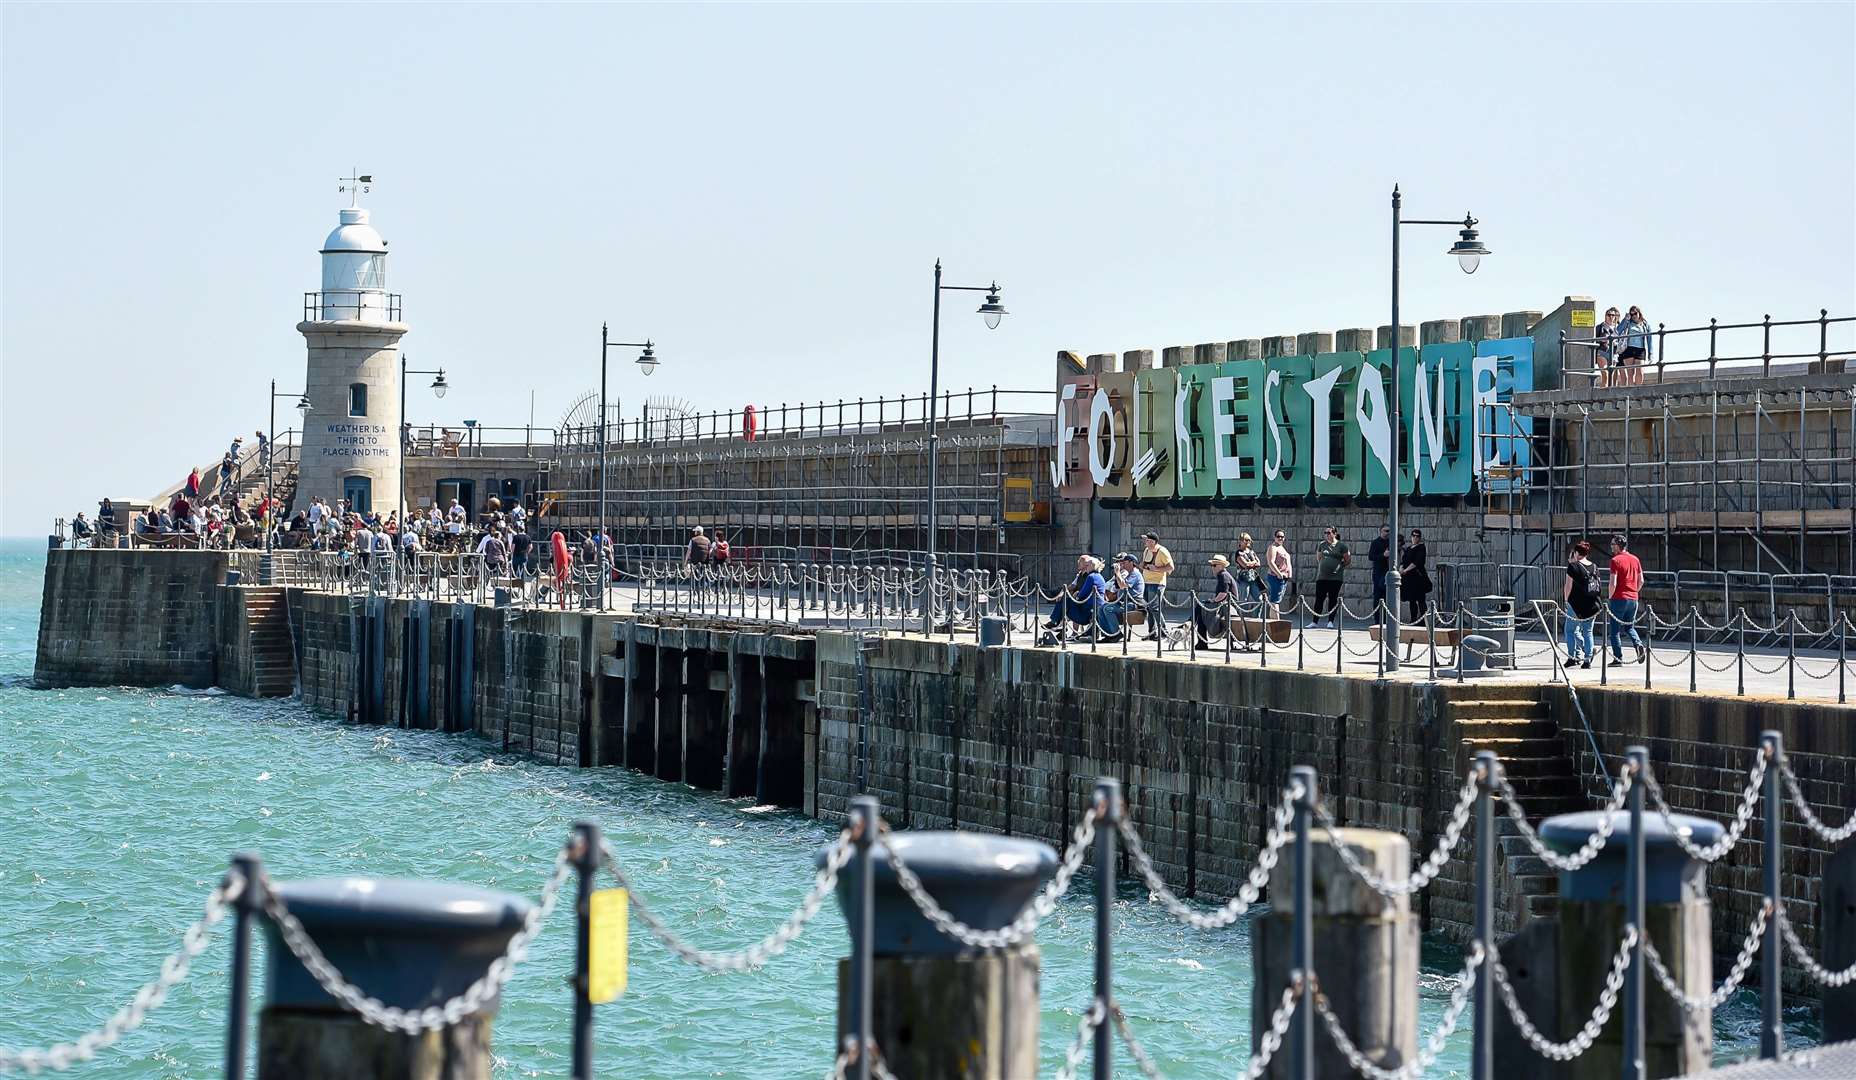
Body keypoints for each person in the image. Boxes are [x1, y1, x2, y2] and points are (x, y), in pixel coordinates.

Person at [1042, 555, 1106, 640]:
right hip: (1089, 608)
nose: (1086, 566)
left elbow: (1082, 594)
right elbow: (1074, 586)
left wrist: (1076, 596)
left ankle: (1056, 623)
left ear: (1092, 566)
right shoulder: (1098, 576)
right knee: (1066, 602)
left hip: (1087, 611)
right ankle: (1058, 624)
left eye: (1087, 565)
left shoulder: (1091, 577)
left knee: (1065, 602)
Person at [1606, 534, 1647, 664]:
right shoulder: (1635, 559)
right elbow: (1641, 580)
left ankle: (1618, 658)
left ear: (1618, 546)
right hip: (1633, 598)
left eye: (1613, 544)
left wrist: (1610, 597)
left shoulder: (1615, 560)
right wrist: (1634, 591)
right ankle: (1638, 644)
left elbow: (1613, 583)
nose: (1611, 547)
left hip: (1619, 598)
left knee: (1614, 630)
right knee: (1629, 627)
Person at [1562, 540, 1602, 668]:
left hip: (1576, 604)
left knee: (1569, 630)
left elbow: (1568, 586)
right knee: (1588, 631)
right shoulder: (1595, 566)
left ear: (1577, 553)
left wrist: (1566, 600)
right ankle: (1587, 660)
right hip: (1592, 604)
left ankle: (1572, 657)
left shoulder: (1573, 566)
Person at [1398, 528, 1431, 660]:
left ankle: (1423, 620)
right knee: (1412, 600)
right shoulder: (1409, 548)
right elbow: (1403, 560)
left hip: (1417, 577)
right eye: (1413, 535)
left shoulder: (1421, 548)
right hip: (1408, 578)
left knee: (1420, 599)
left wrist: (1406, 570)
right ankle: (1413, 619)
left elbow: (1417, 562)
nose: (1415, 538)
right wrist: (1401, 568)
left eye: (1417, 536)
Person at [1097, 552, 1145, 639]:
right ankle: (1108, 634)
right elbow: (1118, 585)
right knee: (1101, 608)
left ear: (1132, 563)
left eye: (1124, 562)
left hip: (1132, 604)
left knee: (1108, 609)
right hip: (1123, 602)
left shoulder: (1135, 574)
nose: (1122, 564)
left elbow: (1123, 586)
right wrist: (1117, 574)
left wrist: (1118, 572)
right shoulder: (1129, 574)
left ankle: (1116, 634)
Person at [1197, 553, 1241, 649]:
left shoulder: (1223, 576)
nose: (1212, 568)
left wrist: (1212, 601)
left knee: (1200, 608)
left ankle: (1201, 641)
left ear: (1221, 566)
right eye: (1212, 565)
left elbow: (1223, 594)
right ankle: (1192, 627)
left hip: (1227, 607)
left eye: (1214, 565)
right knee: (1200, 607)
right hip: (1226, 605)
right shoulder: (1224, 575)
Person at [1137, 532, 1174, 641]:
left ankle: (1164, 632)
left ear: (1153, 542)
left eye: (1147, 540)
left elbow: (1171, 567)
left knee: (1155, 608)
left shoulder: (1162, 551)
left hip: (1158, 583)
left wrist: (1156, 569)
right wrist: (1142, 566)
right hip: (1146, 581)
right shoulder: (1146, 550)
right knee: (1149, 608)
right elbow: (1144, 563)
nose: (1145, 542)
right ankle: (1151, 633)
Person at [1313, 525, 1350, 629]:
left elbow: (1347, 560)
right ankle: (1315, 621)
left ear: (1334, 533)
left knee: (1332, 599)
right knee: (1319, 599)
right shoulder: (1322, 545)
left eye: (1329, 533)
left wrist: (1339, 567)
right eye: (1325, 533)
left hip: (1335, 578)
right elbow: (1319, 558)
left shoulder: (1341, 546)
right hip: (1322, 577)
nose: (1326, 535)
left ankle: (1330, 621)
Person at [1616, 305, 1652, 387]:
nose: (1633, 316)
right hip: (1628, 349)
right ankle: (1631, 393)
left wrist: (1651, 353)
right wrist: (1626, 319)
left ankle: (1638, 391)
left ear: (1639, 313)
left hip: (1640, 349)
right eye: (1631, 314)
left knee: (1640, 372)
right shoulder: (1628, 323)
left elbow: (1650, 340)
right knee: (1630, 373)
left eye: (1635, 313)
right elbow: (1618, 330)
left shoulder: (1645, 325)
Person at [1264, 530, 1293, 619]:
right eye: (1278, 536)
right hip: (1275, 577)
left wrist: (1289, 573)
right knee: (1275, 601)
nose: (1280, 538)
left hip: (1284, 578)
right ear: (1274, 537)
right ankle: (1276, 622)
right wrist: (1279, 573)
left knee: (1276, 601)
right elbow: (1270, 562)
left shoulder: (1282, 548)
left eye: (1282, 536)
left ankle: (1273, 622)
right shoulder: (1273, 547)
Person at [1232, 533, 1264, 612]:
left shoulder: (1251, 552)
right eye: (1245, 540)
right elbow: (1245, 565)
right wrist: (1253, 563)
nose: (1248, 542)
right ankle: (1240, 620)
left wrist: (1250, 564)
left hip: (1253, 579)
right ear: (1240, 541)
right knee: (1243, 601)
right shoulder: (1238, 553)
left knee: (1259, 600)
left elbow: (1259, 563)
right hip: (1243, 579)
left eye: (1249, 540)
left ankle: (1256, 620)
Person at [1593, 306, 1622, 388]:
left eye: (1613, 315)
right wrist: (1601, 340)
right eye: (1609, 315)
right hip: (1602, 352)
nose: (1611, 317)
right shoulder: (1600, 327)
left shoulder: (1617, 328)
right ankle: (1602, 396)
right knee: (1605, 374)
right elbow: (1594, 339)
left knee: (1612, 376)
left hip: (1614, 353)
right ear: (1605, 316)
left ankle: (1610, 396)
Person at [1368, 525, 1392, 617]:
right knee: (1378, 595)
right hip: (1378, 572)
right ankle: (1377, 618)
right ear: (1381, 531)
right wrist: (1383, 555)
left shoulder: (1391, 542)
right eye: (1386, 531)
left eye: (1389, 531)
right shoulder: (1375, 543)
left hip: (1388, 571)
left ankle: (1387, 617)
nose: (1387, 533)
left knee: (1387, 596)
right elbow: (1371, 557)